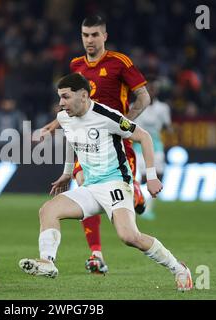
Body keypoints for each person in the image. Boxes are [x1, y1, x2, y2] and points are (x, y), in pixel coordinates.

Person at [19, 73, 193, 291]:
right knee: (48, 210)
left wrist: (151, 177)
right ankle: (47, 262)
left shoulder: (107, 116)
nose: (61, 103)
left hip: (115, 184)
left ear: (83, 95)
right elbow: (71, 142)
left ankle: (178, 268)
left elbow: (144, 137)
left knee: (129, 236)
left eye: (65, 97)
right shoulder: (65, 117)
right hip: (90, 187)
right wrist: (66, 173)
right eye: (59, 97)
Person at [37, 15, 151, 273]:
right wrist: (57, 124)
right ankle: (96, 254)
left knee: (123, 196)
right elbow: (71, 106)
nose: (90, 40)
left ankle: (136, 193)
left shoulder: (119, 62)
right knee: (84, 185)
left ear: (104, 36)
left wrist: (125, 125)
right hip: (86, 144)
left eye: (95, 35)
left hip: (115, 142)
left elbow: (144, 97)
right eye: (85, 35)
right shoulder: (75, 64)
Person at [133, 80, 173, 219]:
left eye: (154, 88)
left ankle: (148, 207)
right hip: (138, 146)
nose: (151, 90)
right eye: (149, 88)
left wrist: (170, 133)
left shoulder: (163, 108)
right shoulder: (135, 106)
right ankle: (139, 200)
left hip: (156, 146)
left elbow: (167, 126)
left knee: (158, 176)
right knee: (142, 177)